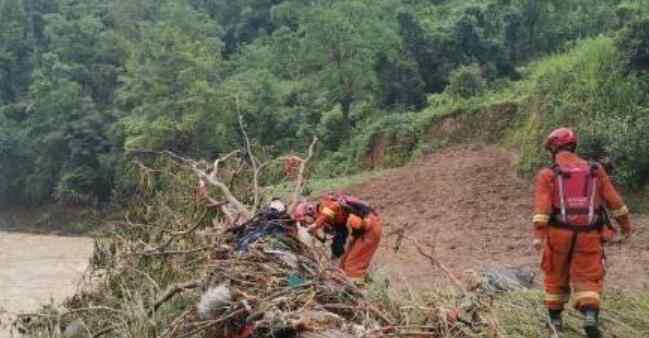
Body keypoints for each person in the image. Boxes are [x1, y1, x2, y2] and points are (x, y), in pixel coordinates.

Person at [533, 128, 632, 338]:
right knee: (588, 276)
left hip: (558, 235)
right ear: (574, 145)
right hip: (589, 234)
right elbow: (616, 204)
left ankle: (556, 323)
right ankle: (589, 317)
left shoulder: (548, 174)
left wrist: (538, 236)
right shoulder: (595, 170)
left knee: (554, 275)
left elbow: (542, 211)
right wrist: (626, 228)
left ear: (553, 149)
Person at [292, 194, 383, 283]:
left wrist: (316, 224)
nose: (305, 224)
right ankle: (361, 284)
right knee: (342, 266)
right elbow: (339, 233)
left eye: (304, 221)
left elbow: (334, 207)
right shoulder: (329, 218)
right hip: (361, 231)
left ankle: (362, 292)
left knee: (352, 267)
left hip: (369, 229)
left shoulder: (324, 208)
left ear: (309, 212)